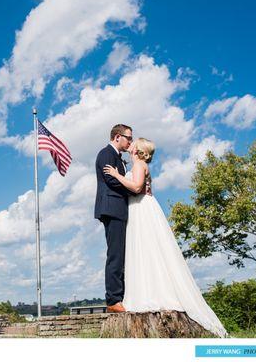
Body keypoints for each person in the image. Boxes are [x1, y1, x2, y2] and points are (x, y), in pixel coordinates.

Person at [103, 137, 228, 338]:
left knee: (146, 250)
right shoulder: (138, 164)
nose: (131, 143)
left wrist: (117, 175)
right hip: (141, 207)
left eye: (134, 143)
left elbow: (135, 188)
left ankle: (152, 293)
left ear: (138, 150)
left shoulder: (138, 165)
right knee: (147, 251)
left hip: (141, 208)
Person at [94, 124, 134, 313]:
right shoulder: (106, 154)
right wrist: (134, 189)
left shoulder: (119, 158)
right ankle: (113, 300)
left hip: (119, 209)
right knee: (115, 255)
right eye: (129, 138)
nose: (130, 142)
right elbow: (110, 180)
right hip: (112, 208)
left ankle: (122, 296)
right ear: (118, 137)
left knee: (122, 255)